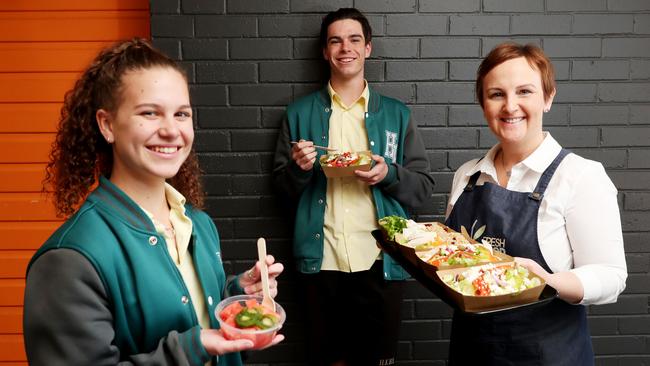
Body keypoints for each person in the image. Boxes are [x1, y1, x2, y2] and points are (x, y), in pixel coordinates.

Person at [23, 38, 284, 366]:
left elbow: (198, 315)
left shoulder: (198, 224)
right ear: (107, 125)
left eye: (181, 114)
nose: (172, 130)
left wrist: (237, 299)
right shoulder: (69, 259)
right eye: (150, 113)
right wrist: (188, 350)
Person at [444, 42, 627, 365]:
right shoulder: (467, 176)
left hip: (548, 356)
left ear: (548, 97)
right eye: (496, 94)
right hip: (471, 353)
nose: (510, 106)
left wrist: (548, 282)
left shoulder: (580, 177)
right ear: (483, 103)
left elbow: (611, 276)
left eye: (524, 91)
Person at [272, 8, 435, 366]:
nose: (345, 48)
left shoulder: (396, 114)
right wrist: (300, 170)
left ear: (368, 49)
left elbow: (422, 189)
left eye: (354, 39)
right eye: (335, 40)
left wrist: (387, 174)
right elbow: (282, 194)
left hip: (382, 262)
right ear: (325, 52)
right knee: (328, 360)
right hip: (322, 261)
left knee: (378, 360)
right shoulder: (298, 114)